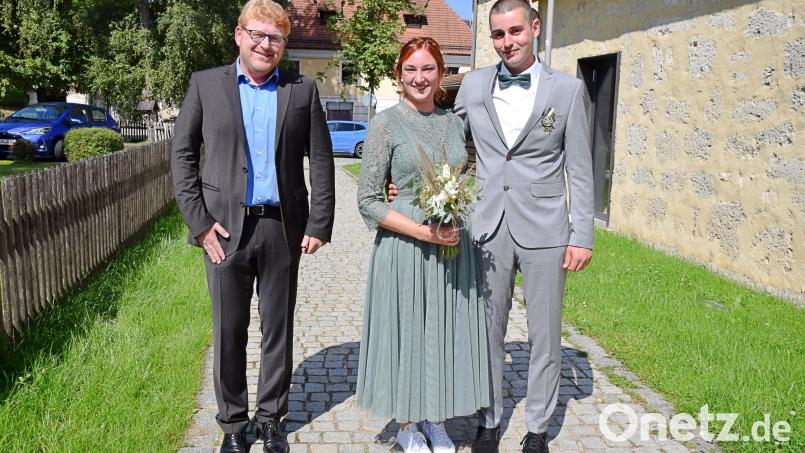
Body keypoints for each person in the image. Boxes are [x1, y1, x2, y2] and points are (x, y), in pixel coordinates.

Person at [170, 1, 335, 452]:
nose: (266, 44)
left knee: (277, 328)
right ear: (239, 35)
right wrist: (200, 224)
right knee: (229, 330)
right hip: (224, 231)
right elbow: (182, 156)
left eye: (276, 37)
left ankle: (271, 420)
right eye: (258, 34)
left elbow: (320, 161)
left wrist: (319, 221)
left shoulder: (302, 90)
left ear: (285, 44)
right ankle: (233, 426)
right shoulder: (206, 85)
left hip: (282, 227)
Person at [453, 1, 594, 452]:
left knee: (545, 335)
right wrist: (405, 175)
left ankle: (537, 429)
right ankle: (489, 419)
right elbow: (447, 142)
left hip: (547, 229)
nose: (507, 42)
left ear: (534, 28)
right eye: (498, 34)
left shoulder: (567, 90)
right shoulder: (473, 85)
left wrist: (582, 235)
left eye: (515, 31)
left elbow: (581, 168)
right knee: (486, 331)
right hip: (487, 224)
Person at [355, 37, 490, 453]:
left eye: (428, 69)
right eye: (411, 69)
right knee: (409, 331)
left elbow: (464, 171)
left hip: (452, 247)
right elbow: (368, 200)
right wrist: (423, 231)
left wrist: (456, 202)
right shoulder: (386, 123)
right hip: (406, 246)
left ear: (440, 73)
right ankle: (408, 424)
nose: (419, 78)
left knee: (443, 331)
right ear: (399, 75)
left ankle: (436, 418)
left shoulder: (453, 122)